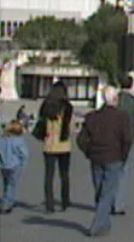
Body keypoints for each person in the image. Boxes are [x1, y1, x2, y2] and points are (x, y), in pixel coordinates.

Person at [76, 86, 133, 237]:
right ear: (115, 99)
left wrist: (89, 151)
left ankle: (104, 224)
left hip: (96, 158)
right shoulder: (122, 117)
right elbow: (127, 140)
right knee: (106, 193)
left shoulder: (92, 117)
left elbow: (81, 139)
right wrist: (123, 155)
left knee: (100, 191)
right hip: (114, 158)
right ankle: (97, 226)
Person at [37, 80, 75, 213]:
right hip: (63, 145)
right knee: (64, 175)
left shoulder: (45, 106)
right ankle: (65, 201)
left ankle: (49, 204)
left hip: (49, 144)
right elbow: (71, 126)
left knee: (49, 175)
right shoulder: (67, 107)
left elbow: (41, 123)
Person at [114, 76, 134, 216]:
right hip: (127, 139)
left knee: (110, 170)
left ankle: (108, 200)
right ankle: (118, 204)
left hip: (111, 138)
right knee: (122, 171)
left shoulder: (114, 99)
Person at [0, 120, 29, 214]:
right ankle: (7, 204)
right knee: (12, 185)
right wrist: (22, 165)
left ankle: (6, 200)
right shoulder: (19, 140)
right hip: (14, 165)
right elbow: (24, 154)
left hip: (3, 166)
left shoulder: (2, 139)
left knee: (6, 184)